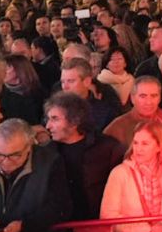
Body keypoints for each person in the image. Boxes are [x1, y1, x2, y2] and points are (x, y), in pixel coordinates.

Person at [43, 91, 124, 221]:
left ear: (75, 121)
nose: (48, 126)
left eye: (55, 119)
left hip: (98, 223)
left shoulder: (108, 148)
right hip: (60, 228)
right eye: (48, 119)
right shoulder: (46, 153)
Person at [104, 75, 162, 148]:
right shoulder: (117, 128)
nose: (148, 102)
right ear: (132, 98)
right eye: (143, 96)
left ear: (160, 98)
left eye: (154, 96)